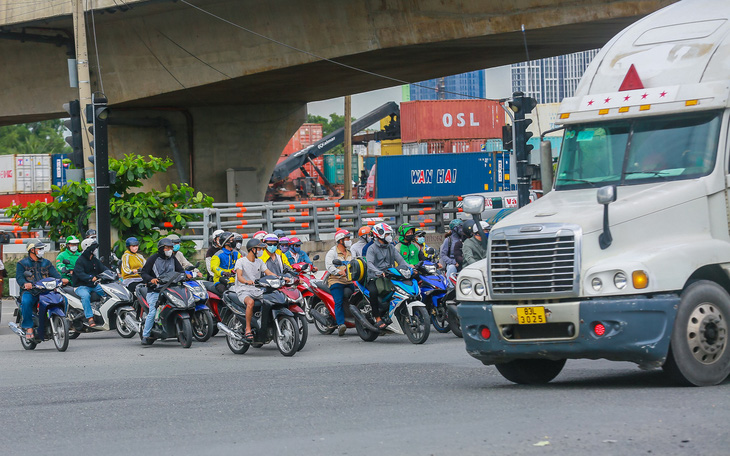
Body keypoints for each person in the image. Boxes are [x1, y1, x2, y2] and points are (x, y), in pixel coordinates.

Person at [139, 238, 188, 345]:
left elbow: (180, 271)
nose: (170, 250)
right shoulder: (153, 259)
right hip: (155, 290)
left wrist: (185, 275)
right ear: (161, 249)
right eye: (167, 248)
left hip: (171, 289)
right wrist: (151, 279)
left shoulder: (173, 258)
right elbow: (144, 273)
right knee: (152, 312)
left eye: (171, 247)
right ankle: (146, 335)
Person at [16, 241, 67, 340]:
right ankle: (29, 327)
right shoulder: (22, 263)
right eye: (39, 249)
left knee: (62, 299)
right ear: (32, 250)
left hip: (45, 291)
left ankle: (58, 321)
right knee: (26, 302)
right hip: (31, 291)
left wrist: (61, 280)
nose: (42, 251)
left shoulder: (46, 263)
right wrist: (25, 284)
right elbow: (19, 277)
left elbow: (55, 275)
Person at [231, 238, 276, 342]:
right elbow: (239, 276)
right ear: (252, 249)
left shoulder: (259, 262)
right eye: (259, 249)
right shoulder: (241, 261)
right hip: (243, 289)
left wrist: (280, 278)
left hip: (257, 289)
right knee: (250, 303)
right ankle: (248, 328)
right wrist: (247, 281)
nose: (261, 251)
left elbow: (269, 273)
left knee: (270, 300)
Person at [365, 223, 408, 330]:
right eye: (387, 234)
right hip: (374, 277)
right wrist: (378, 272)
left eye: (390, 234)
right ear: (379, 234)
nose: (389, 236)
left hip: (389, 276)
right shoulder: (371, 248)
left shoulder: (391, 247)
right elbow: (369, 264)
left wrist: (410, 268)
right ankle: (378, 318)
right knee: (373, 293)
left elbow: (401, 260)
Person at [73, 238, 110, 328]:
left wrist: (112, 273)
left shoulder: (94, 260)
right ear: (88, 249)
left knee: (108, 293)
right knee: (85, 296)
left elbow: (103, 268)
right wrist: (90, 278)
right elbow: (80, 274)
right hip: (81, 286)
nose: (95, 250)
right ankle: (90, 318)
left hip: (94, 285)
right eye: (94, 248)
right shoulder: (80, 260)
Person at [325, 229, 354, 336]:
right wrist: (339, 272)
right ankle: (341, 324)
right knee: (339, 301)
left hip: (349, 280)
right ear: (340, 240)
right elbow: (329, 266)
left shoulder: (350, 252)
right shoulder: (332, 253)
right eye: (347, 238)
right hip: (336, 281)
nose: (349, 240)